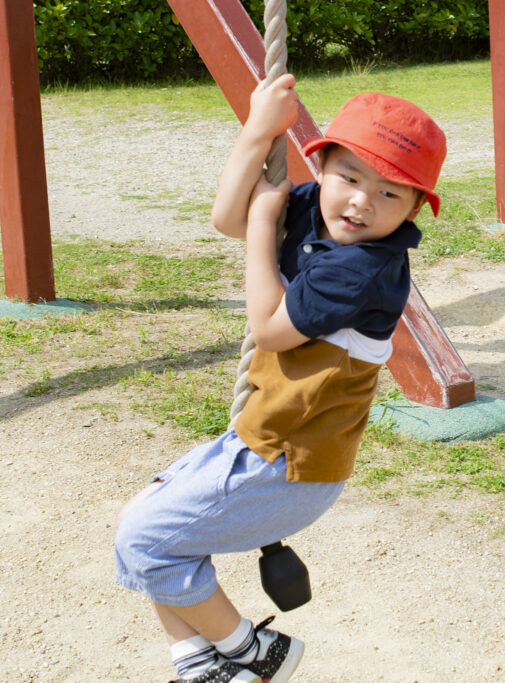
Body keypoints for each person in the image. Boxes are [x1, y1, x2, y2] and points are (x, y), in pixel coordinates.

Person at [114, 74, 446, 683]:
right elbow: (226, 218)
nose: (361, 203)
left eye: (390, 194)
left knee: (147, 541)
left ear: (416, 208)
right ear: (321, 169)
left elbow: (268, 330)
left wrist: (266, 224)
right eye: (349, 178)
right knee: (145, 523)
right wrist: (256, 133)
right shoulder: (312, 209)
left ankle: (252, 654)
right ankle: (200, 665)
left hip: (291, 463)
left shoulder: (363, 268)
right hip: (261, 439)